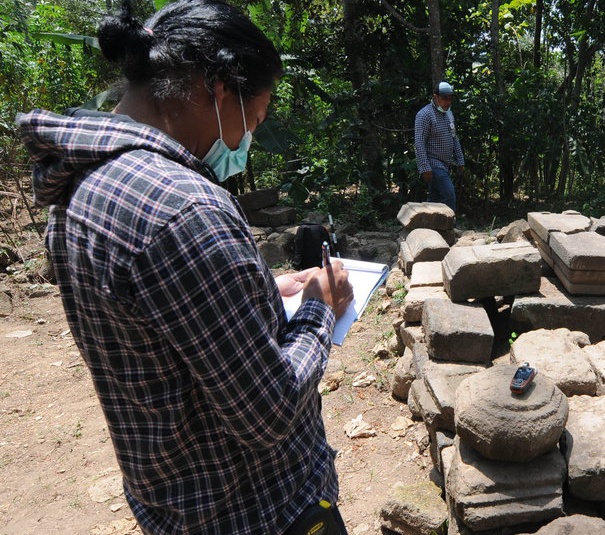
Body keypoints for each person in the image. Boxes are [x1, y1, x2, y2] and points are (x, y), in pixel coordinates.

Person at [16, 1, 353, 533]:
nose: (246, 142)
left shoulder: (79, 187)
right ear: (218, 90)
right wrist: (319, 311)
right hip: (259, 509)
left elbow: (154, 313)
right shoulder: (187, 211)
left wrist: (261, 285)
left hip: (173, 502)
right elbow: (268, 414)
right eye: (255, 119)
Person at [414, 81, 465, 212]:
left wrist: (460, 161)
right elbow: (419, 143)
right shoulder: (424, 115)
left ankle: (426, 228)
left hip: (445, 164)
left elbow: (454, 138)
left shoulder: (449, 114)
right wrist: (424, 168)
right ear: (435, 97)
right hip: (433, 163)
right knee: (449, 195)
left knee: (434, 199)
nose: (448, 102)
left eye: (450, 98)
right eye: (444, 98)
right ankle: (449, 227)